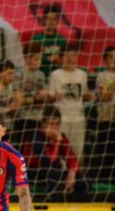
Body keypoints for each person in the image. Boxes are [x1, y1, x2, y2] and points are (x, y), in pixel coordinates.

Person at [20, 106, 88, 202]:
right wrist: (57, 141)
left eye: (57, 124)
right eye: (51, 124)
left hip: (51, 172)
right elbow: (50, 161)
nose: (54, 128)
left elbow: (71, 158)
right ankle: (56, 207)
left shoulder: (61, 136)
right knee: (54, 172)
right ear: (43, 124)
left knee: (79, 177)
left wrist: (72, 172)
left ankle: (83, 209)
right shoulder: (35, 138)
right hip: (31, 173)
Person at [48, 45, 94, 162]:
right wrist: (56, 97)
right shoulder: (55, 74)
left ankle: (77, 172)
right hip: (61, 118)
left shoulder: (82, 74)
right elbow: (50, 97)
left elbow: (84, 94)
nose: (70, 59)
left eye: (73, 56)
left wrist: (90, 96)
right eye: (66, 56)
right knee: (62, 150)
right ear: (61, 58)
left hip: (78, 118)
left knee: (78, 151)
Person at [95, 46, 115, 181]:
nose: (114, 60)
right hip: (106, 119)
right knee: (106, 153)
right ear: (105, 60)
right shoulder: (102, 76)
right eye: (111, 57)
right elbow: (105, 97)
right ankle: (103, 181)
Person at [30, 4, 68, 77]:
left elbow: (65, 60)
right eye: (48, 18)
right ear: (44, 20)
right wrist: (48, 58)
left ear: (57, 21)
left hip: (57, 77)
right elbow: (30, 59)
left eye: (54, 19)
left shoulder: (61, 40)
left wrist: (59, 60)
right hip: (38, 76)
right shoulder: (36, 39)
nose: (51, 21)